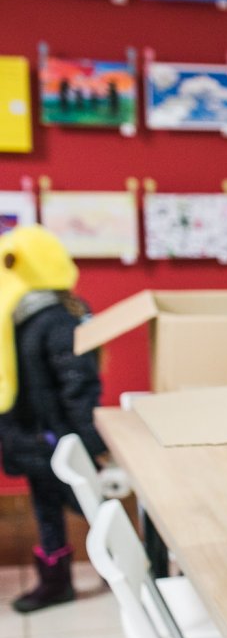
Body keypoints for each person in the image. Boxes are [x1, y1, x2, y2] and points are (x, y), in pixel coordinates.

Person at [0, 226, 106, 613]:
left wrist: (93, 443)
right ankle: (55, 579)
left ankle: (129, 565)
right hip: (28, 435)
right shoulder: (13, 316)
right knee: (46, 506)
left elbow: (77, 385)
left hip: (58, 437)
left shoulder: (57, 319)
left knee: (88, 502)